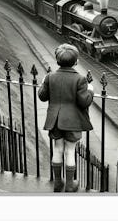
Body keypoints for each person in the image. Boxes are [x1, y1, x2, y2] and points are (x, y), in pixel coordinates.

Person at [38, 43, 94, 192]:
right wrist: (91, 91)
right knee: (70, 151)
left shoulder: (50, 77)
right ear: (76, 62)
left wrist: (44, 83)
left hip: (55, 120)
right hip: (72, 122)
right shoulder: (80, 79)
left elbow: (42, 96)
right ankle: (70, 185)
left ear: (57, 61)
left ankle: (57, 183)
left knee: (57, 149)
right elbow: (84, 102)